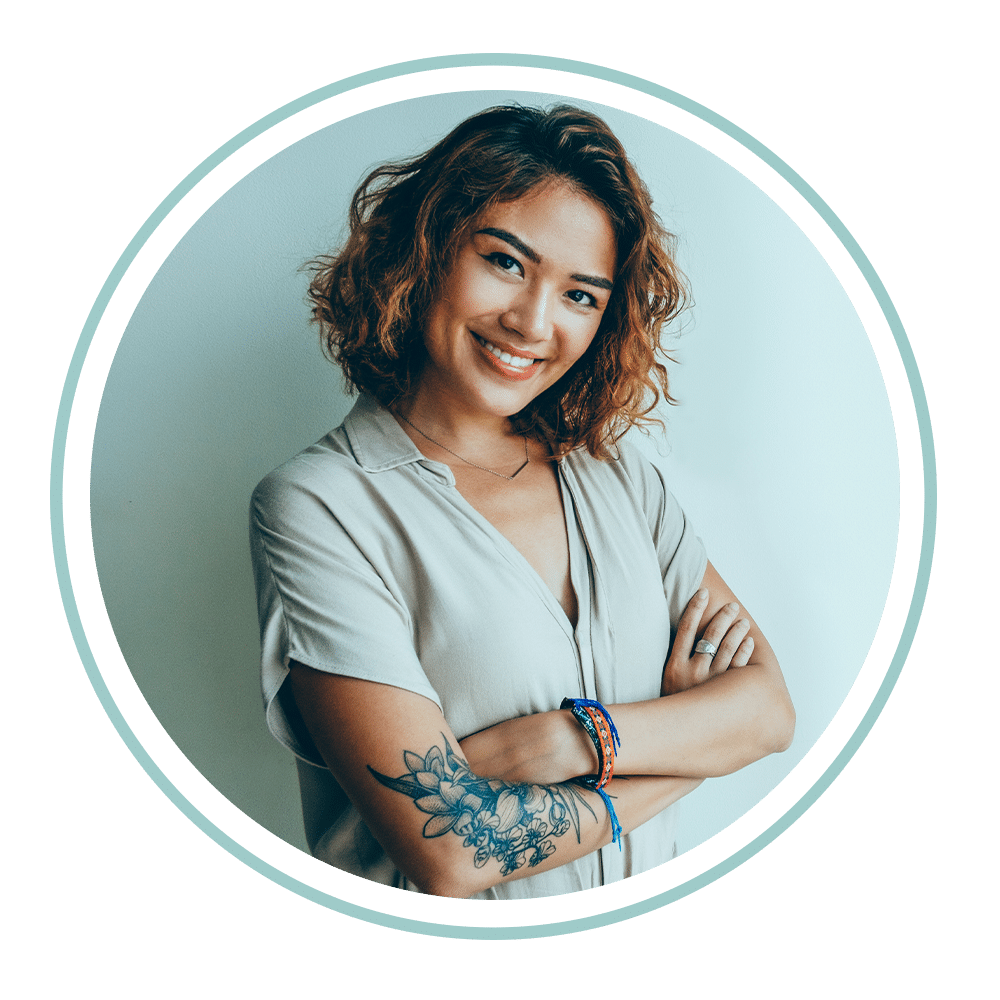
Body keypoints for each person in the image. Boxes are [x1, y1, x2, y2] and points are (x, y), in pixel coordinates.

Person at [249, 104, 795, 899]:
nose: (534, 322)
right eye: (506, 262)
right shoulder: (318, 506)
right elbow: (454, 853)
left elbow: (768, 714)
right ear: (425, 251)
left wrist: (573, 740)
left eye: (582, 295)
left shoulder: (618, 474)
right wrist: (687, 751)